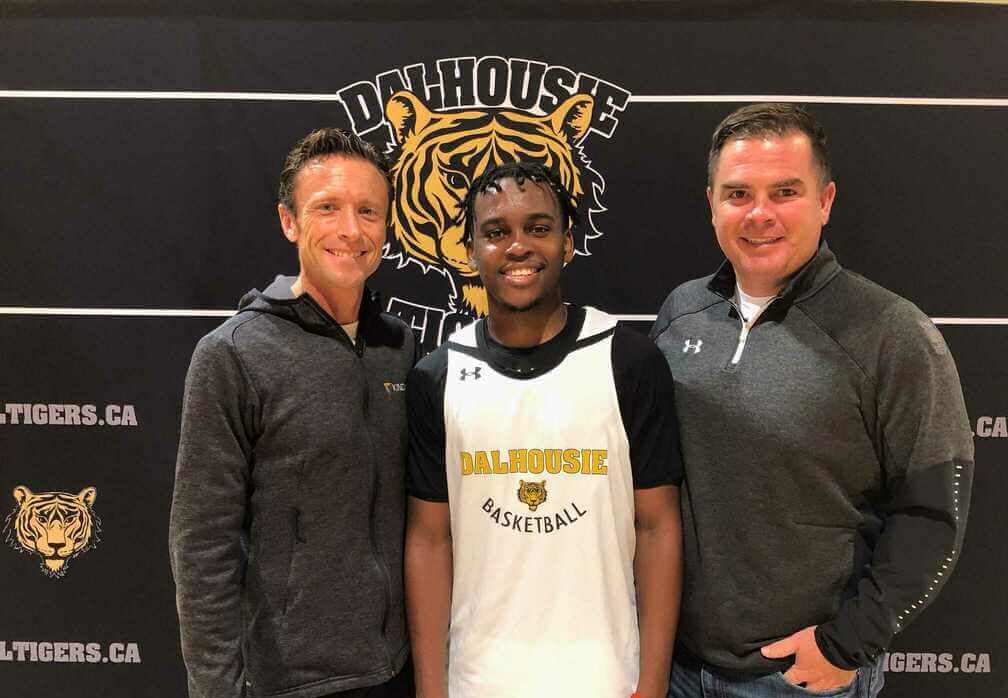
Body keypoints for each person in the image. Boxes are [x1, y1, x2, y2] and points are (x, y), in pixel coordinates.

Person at [650, 103, 974, 698]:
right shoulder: (679, 314)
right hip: (676, 668)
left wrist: (846, 644)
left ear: (825, 201)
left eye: (785, 192)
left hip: (801, 679)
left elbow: (932, 513)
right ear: (711, 203)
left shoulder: (892, 333)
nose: (760, 214)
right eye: (738, 193)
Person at [405, 162, 684, 698]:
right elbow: (429, 538)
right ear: (468, 249)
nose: (517, 246)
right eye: (496, 232)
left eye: (537, 227)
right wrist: (431, 689)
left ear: (567, 243)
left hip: (605, 677)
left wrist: (651, 684)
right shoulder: (436, 374)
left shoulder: (628, 359)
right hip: (477, 681)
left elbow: (657, 527)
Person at [169, 128, 415, 698]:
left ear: (387, 225)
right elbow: (202, 545)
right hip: (289, 682)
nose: (350, 231)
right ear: (289, 221)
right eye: (327, 208)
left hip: (397, 670)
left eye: (368, 211)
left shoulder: (399, 348)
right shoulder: (232, 354)